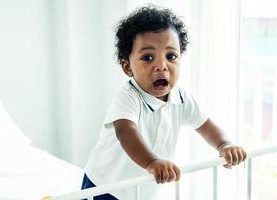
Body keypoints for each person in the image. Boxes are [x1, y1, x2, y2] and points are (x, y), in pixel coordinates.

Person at [82, 5, 247, 200]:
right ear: (127, 67)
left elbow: (206, 125)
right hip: (106, 184)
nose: (161, 66)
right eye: (148, 57)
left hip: (143, 188)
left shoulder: (182, 97)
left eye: (171, 56)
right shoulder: (129, 96)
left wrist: (224, 144)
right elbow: (126, 132)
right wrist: (152, 162)